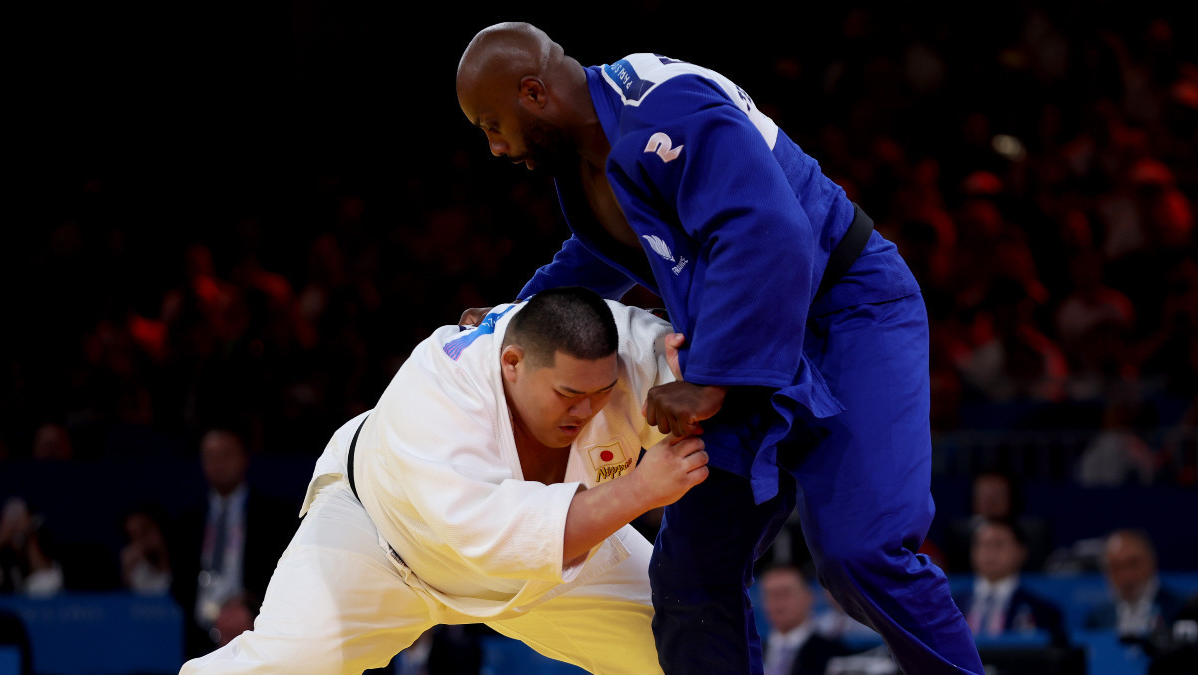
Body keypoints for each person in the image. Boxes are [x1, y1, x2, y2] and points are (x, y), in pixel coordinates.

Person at [455, 21, 984, 675]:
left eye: (491, 124)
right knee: (689, 575)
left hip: (843, 314)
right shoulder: (594, 153)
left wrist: (710, 379)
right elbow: (595, 257)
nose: (496, 147)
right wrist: (518, 316)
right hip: (740, 345)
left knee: (860, 554)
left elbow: (773, 233)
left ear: (533, 91)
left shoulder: (664, 105)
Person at [181, 287, 709, 673]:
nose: (587, 410)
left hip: (554, 564)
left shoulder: (631, 353)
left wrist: (708, 385)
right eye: (568, 395)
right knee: (283, 664)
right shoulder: (435, 395)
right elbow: (495, 538)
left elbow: (721, 357)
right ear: (511, 363)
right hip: (381, 541)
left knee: (687, 642)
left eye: (601, 393)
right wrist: (642, 489)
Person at [172, 428, 297, 658]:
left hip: (257, 632)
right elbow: (179, 580)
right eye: (211, 457)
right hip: (201, 637)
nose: (219, 464)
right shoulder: (187, 521)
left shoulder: (274, 517)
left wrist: (250, 605)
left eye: (226, 455)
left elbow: (288, 573)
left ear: (244, 458)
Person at [952, 517, 1068, 646]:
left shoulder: (1044, 613)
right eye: (983, 544)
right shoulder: (951, 607)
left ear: (1021, 552)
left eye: (998, 544)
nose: (989, 552)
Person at [1085, 529, 1186, 640]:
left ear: (1151, 562)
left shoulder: (1181, 610)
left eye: (1133, 564)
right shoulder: (1097, 620)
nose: (1126, 576)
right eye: (1116, 567)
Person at [759, 564, 850, 675]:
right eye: (771, 594)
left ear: (808, 596)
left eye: (786, 592)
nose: (778, 601)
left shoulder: (833, 654)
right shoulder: (751, 652)